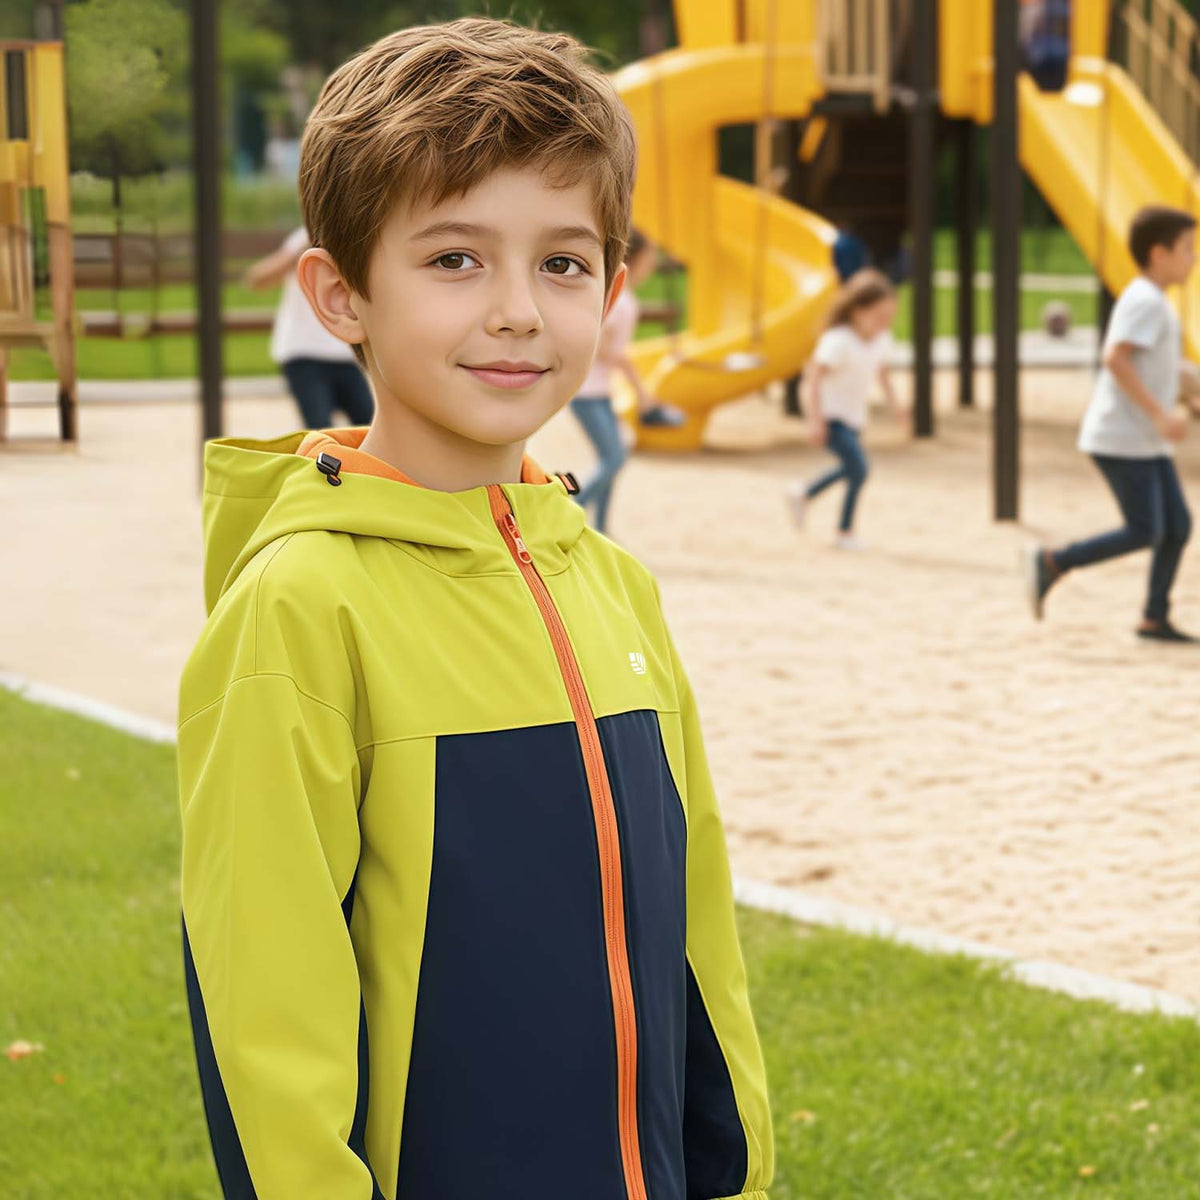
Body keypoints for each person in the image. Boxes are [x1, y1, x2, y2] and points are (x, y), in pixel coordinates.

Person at [176, 19, 772, 1200]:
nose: (518, 310)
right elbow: (266, 1033)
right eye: (455, 260)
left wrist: (733, 1169)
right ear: (340, 294)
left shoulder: (611, 582)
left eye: (563, 262)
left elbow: (699, 934)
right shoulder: (298, 610)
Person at [1025, 205, 1196, 642]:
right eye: (1187, 249)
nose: (1193, 258)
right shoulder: (1145, 301)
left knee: (1176, 525)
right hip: (1121, 437)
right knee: (1146, 529)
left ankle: (1154, 617)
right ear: (1159, 254)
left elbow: (1161, 365)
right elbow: (1116, 357)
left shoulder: (1153, 302)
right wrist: (1160, 415)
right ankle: (1053, 562)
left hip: (1142, 440)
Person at [569, 228, 684, 535]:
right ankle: (569, 514)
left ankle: (601, 529)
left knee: (614, 458)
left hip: (599, 391)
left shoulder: (624, 299)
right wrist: (639, 387)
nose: (653, 265)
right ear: (637, 258)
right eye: (651, 258)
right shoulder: (619, 302)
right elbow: (605, 348)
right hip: (587, 393)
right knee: (613, 458)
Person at [786, 268, 905, 548]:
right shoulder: (838, 341)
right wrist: (815, 419)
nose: (885, 323)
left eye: (889, 318)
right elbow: (814, 377)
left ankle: (804, 492)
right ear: (857, 311)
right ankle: (844, 531)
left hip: (854, 417)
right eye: (879, 317)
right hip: (831, 415)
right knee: (859, 468)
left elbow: (883, 374)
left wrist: (897, 405)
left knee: (852, 469)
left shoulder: (881, 341)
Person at [244, 226, 376, 429]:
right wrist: (300, 252)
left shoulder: (354, 237)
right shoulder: (302, 238)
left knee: (369, 425)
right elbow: (256, 279)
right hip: (303, 353)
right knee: (319, 428)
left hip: (344, 354)